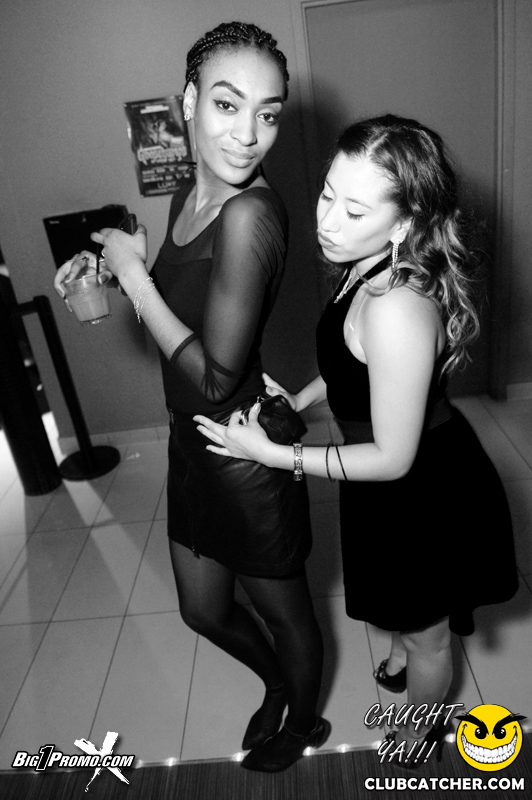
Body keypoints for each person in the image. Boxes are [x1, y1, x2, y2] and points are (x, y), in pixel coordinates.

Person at [194, 114, 519, 766]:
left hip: (422, 490)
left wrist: (276, 455)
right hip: (378, 478)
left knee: (429, 636)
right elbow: (356, 363)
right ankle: (400, 653)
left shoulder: (396, 305)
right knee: (397, 604)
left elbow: (393, 457)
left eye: (355, 210)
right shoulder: (363, 264)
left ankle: (417, 732)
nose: (328, 222)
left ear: (404, 225)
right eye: (327, 195)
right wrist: (303, 399)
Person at [54, 22, 329, 774]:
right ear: (188, 102)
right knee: (202, 610)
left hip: (243, 451)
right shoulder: (191, 191)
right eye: (228, 105)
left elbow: (214, 376)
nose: (248, 134)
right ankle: (278, 683)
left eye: (268, 113)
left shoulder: (252, 213)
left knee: (289, 617)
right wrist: (111, 275)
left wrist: (134, 277)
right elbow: (188, 300)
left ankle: (303, 721)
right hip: (191, 442)